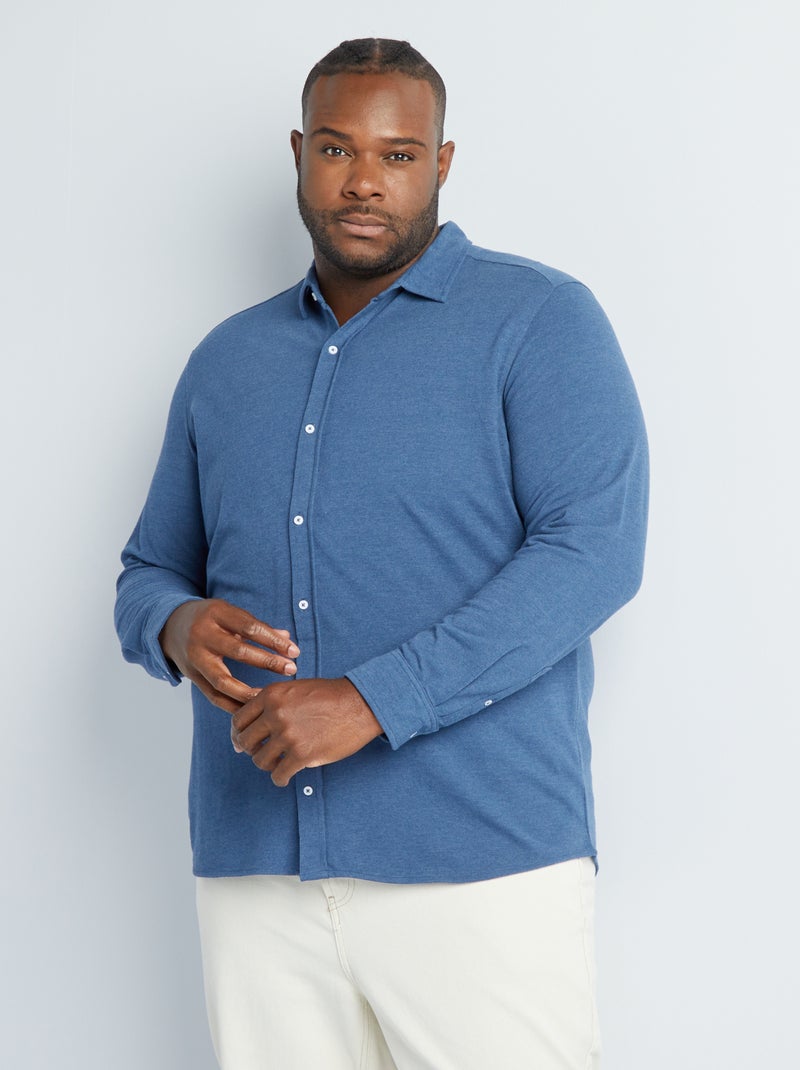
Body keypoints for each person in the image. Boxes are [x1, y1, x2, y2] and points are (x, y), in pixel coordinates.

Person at [115, 37, 648, 1070]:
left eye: (397, 155)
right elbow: (148, 569)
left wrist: (371, 699)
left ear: (440, 163)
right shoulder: (225, 359)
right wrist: (176, 627)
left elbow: (593, 552)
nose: (363, 181)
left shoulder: (538, 321)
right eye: (336, 149)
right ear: (297, 154)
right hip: (256, 870)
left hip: (478, 865)